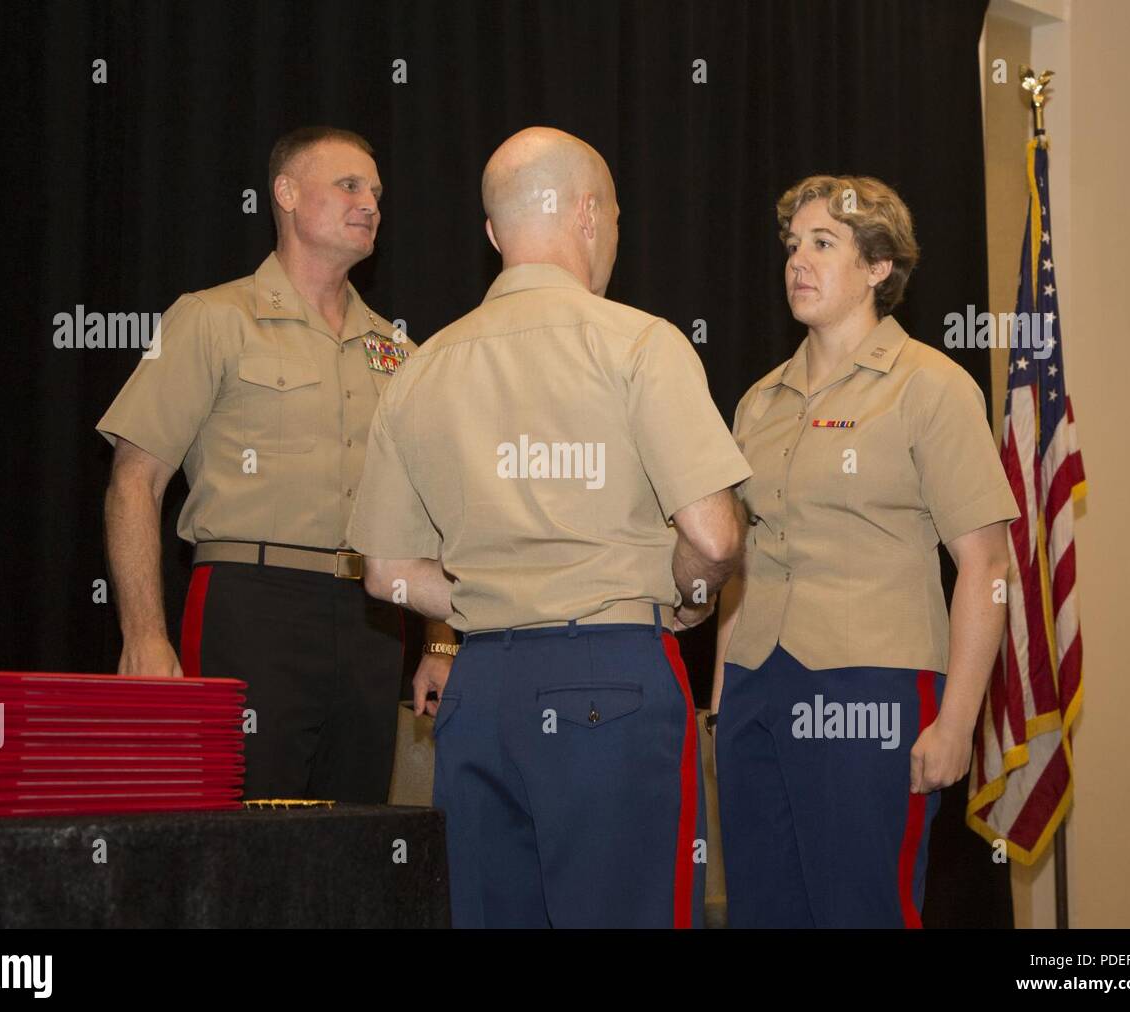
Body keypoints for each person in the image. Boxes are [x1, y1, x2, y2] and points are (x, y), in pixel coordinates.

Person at [346, 127, 751, 928]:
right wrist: (693, 598)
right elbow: (713, 537)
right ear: (591, 215)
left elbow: (384, 571)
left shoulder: (418, 368)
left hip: (480, 691)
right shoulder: (641, 342)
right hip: (614, 681)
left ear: (496, 235)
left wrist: (487, 597)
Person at [96, 126, 457, 803]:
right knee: (241, 832)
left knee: (351, 841)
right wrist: (143, 636)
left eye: (376, 192)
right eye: (349, 185)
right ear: (286, 194)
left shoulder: (399, 349)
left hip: (375, 616)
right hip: (251, 606)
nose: (370, 204)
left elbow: (424, 513)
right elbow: (133, 483)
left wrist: (439, 642)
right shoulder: (210, 319)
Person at [712, 174, 1018, 928]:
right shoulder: (759, 399)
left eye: (823, 243)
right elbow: (737, 555)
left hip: (868, 689)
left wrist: (957, 721)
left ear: (880, 267)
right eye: (792, 246)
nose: (797, 261)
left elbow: (989, 565)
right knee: (762, 909)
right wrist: (724, 688)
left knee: (861, 909)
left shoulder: (931, 387)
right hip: (756, 685)